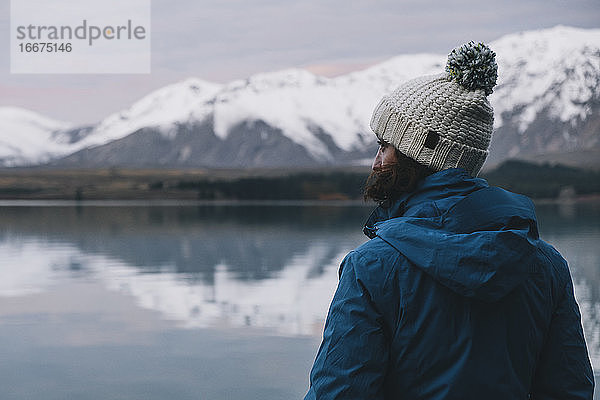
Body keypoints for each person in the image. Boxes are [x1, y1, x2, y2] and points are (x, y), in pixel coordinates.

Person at [304, 42, 594, 399]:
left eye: (384, 146)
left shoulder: (371, 268)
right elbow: (570, 390)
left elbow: (341, 393)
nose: (376, 162)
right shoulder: (547, 266)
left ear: (417, 154)